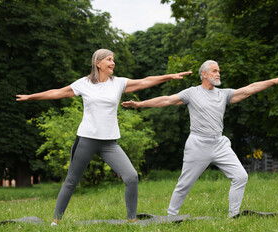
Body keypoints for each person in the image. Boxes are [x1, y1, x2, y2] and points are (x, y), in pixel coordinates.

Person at [16, 48, 192, 225]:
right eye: (108, 59)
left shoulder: (119, 83)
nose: (113, 62)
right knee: (71, 181)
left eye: (113, 59)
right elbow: (57, 92)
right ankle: (55, 223)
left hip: (109, 143)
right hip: (86, 140)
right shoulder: (84, 83)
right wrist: (31, 97)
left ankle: (132, 221)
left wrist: (169, 76)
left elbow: (145, 81)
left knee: (131, 177)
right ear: (98, 63)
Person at [122, 60, 278, 218]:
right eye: (214, 71)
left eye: (219, 71)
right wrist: (139, 104)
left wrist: (271, 81)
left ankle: (234, 215)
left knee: (241, 176)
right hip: (198, 144)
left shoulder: (224, 94)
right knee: (184, 184)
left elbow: (249, 89)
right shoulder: (192, 93)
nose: (218, 74)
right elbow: (166, 100)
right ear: (204, 74)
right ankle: (171, 217)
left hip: (219, 143)